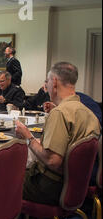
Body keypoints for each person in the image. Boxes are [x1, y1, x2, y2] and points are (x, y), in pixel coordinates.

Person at [16, 62, 100, 206]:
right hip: (74, 186)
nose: (46, 86)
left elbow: (53, 161)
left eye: (47, 81)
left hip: (49, 187)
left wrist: (28, 137)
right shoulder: (88, 113)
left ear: (54, 82)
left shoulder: (60, 113)